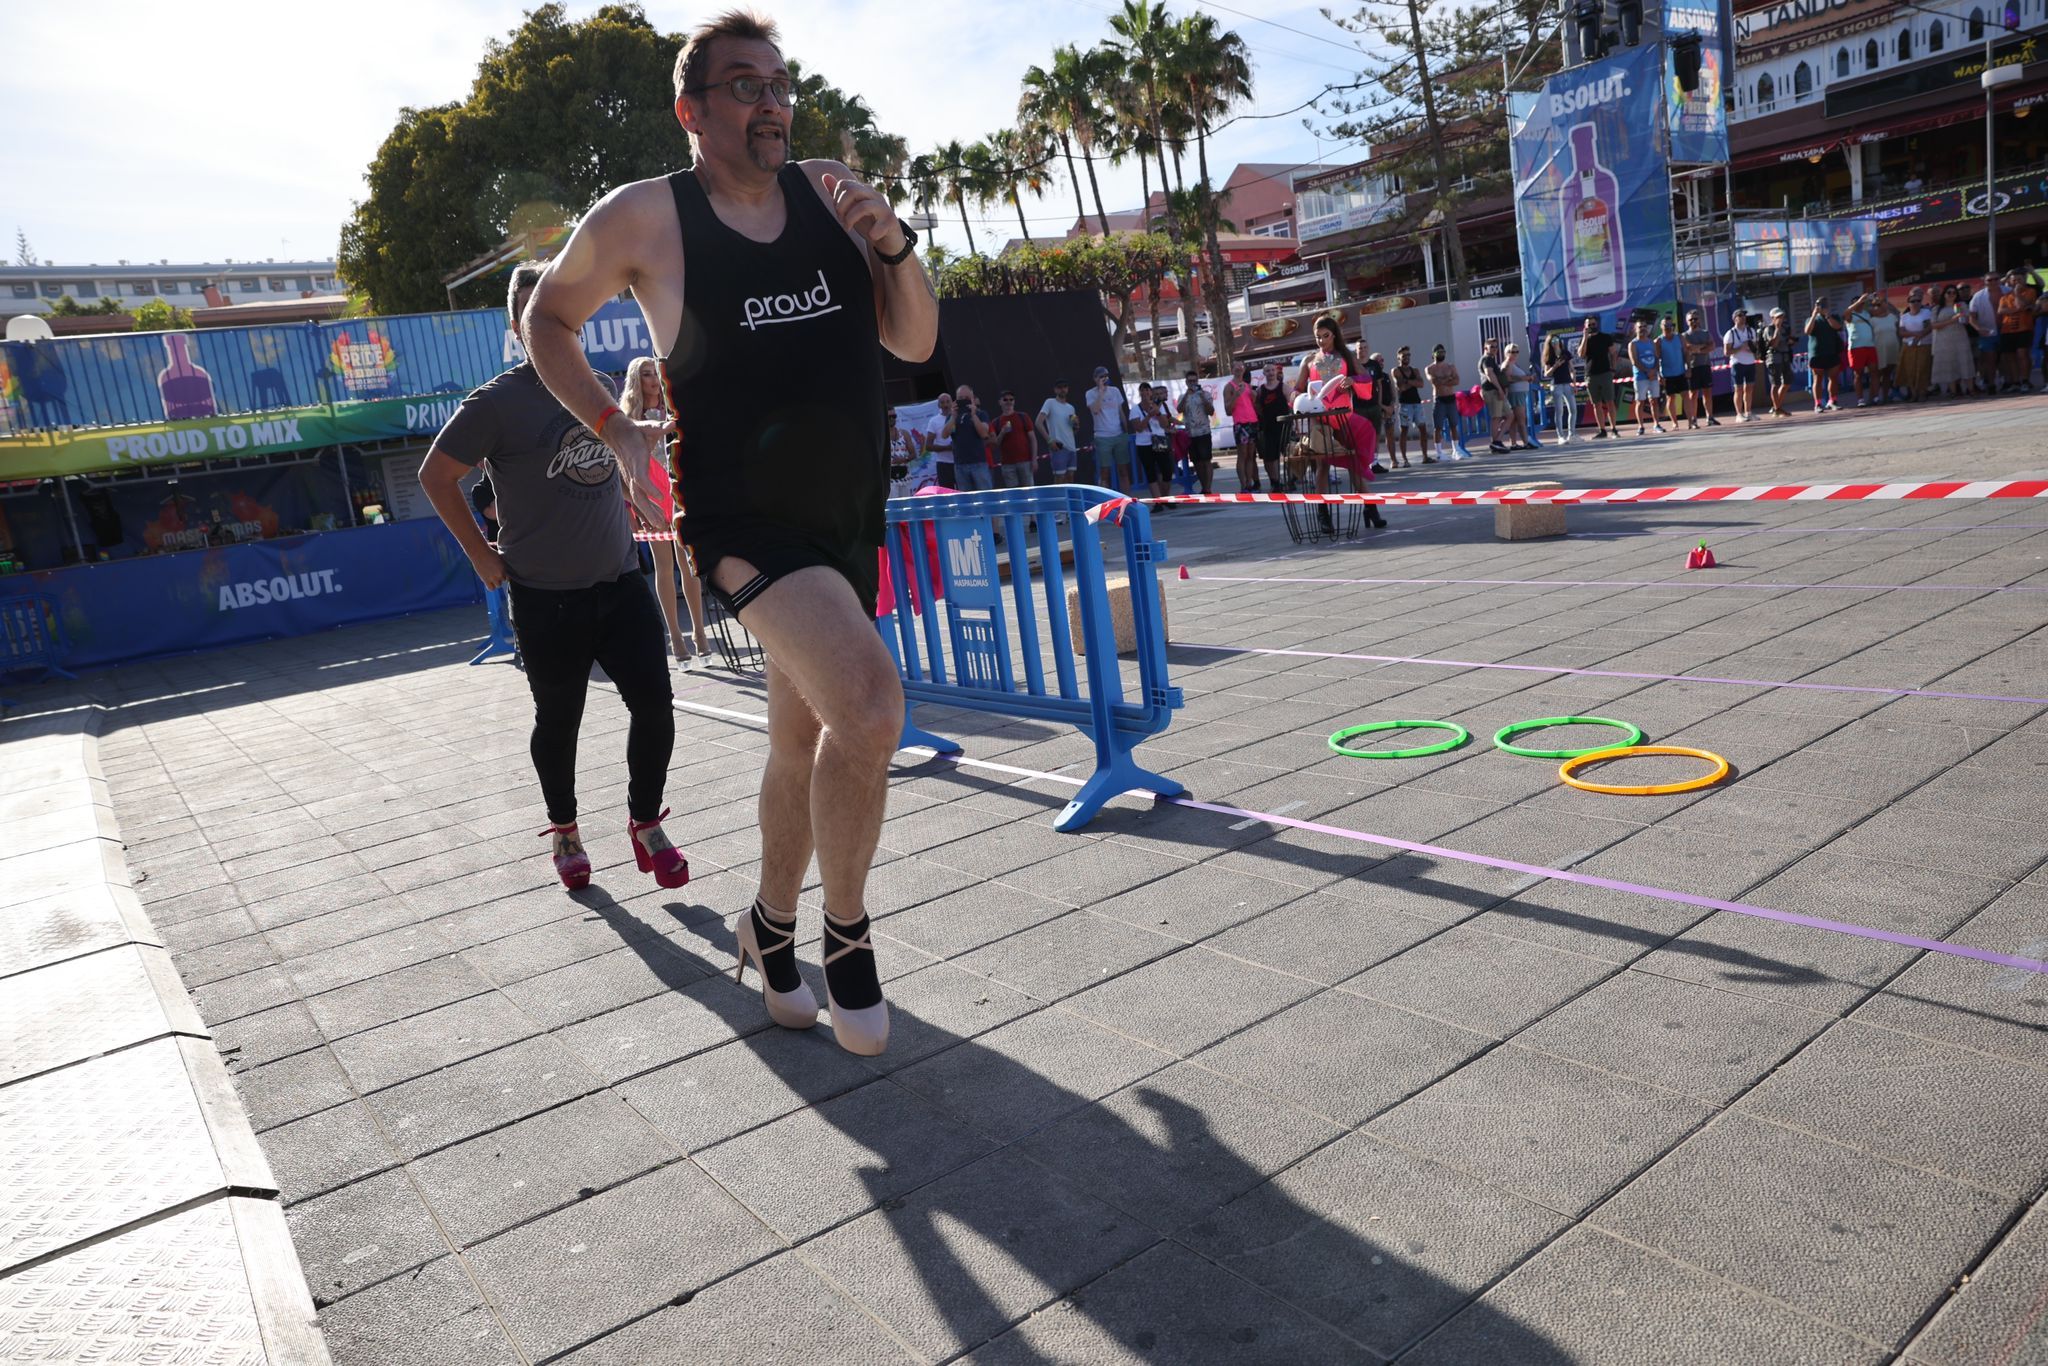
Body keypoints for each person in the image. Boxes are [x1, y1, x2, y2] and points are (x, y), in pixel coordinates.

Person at [521, 10, 940, 1056]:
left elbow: (915, 336)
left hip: (847, 512)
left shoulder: (831, 194)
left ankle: (769, 921)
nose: (772, 104)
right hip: (742, 519)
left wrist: (890, 241)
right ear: (691, 109)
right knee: (872, 708)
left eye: (780, 84)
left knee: (804, 738)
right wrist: (615, 429)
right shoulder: (644, 218)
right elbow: (546, 319)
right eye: (745, 85)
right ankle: (847, 936)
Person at [420, 263, 687, 896]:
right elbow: (436, 475)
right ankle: (565, 831)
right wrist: (481, 554)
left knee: (655, 705)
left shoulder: (595, 386)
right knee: (559, 721)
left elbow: (606, 465)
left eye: (570, 309)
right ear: (520, 326)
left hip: (621, 582)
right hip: (546, 599)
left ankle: (645, 821)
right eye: (543, 312)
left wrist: (638, 496)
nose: (562, 322)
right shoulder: (495, 403)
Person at [622, 355, 712, 667]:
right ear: (637, 380)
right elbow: (626, 464)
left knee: (689, 564)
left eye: (654, 373)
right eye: (645, 374)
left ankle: (700, 633)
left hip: (680, 487)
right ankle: (675, 635)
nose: (652, 380)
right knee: (664, 566)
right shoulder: (629, 417)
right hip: (653, 489)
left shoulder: (674, 407)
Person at [1086, 366, 1131, 492]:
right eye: (1101, 376)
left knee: (1123, 470)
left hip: (1118, 434)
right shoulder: (1090, 393)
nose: (1104, 379)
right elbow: (1095, 410)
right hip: (1102, 436)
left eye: (1106, 376)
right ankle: (1105, 500)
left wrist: (1126, 430)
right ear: (1095, 379)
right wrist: (1100, 392)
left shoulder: (1115, 390)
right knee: (1105, 471)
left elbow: (1120, 411)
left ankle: (1127, 501)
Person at [1174, 370, 1216, 494]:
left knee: (1206, 460)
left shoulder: (1205, 394)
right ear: (1186, 382)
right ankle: (1204, 486)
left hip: (1204, 431)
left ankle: (1208, 487)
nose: (1192, 383)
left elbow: (1211, 411)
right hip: (1190, 433)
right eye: (1190, 381)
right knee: (1197, 462)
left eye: (1194, 381)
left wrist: (1201, 395)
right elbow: (1180, 409)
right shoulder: (1183, 396)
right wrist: (1187, 394)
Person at [1930, 284, 1974, 398]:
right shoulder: (1937, 309)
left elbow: (1965, 321)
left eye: (1954, 293)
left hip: (1960, 337)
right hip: (1944, 340)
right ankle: (1953, 391)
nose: (1951, 295)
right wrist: (1951, 321)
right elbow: (1934, 325)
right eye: (1949, 292)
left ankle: (1970, 389)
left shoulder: (1960, 305)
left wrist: (1962, 317)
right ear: (1944, 294)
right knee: (1949, 365)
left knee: (1964, 362)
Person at [948, 385, 995, 490]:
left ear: (972, 399)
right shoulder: (953, 416)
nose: (964, 401)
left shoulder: (981, 414)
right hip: (960, 465)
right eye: (960, 398)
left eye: (967, 398)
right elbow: (945, 434)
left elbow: (983, 434)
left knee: (985, 496)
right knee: (966, 500)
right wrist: (953, 417)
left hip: (979, 463)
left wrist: (973, 415)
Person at [1578, 316, 1619, 438]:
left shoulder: (1606, 337)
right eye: (1589, 325)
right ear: (1585, 326)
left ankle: (1614, 429)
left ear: (1597, 324)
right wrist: (1585, 337)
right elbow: (1581, 354)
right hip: (1590, 374)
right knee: (1596, 404)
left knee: (1610, 401)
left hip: (1605, 373)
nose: (1592, 326)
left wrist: (1613, 368)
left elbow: (1613, 353)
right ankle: (1602, 430)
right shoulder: (1584, 339)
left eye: (1593, 324)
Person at [1390, 345, 1432, 464]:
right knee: (1404, 431)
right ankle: (1405, 459)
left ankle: (1425, 456)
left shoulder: (1415, 370)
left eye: (1408, 355)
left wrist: (1408, 381)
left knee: (1423, 429)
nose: (1407, 357)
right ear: (1399, 357)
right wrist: (1413, 383)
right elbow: (1401, 387)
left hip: (1417, 403)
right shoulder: (1396, 370)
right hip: (1405, 405)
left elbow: (1422, 384)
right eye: (1404, 355)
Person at [1253, 360, 1291, 488]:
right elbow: (1257, 406)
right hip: (1268, 427)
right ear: (1264, 373)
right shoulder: (1260, 390)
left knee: (1289, 455)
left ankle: (1291, 480)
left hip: (1284, 427)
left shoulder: (1284, 387)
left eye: (1272, 370)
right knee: (1270, 458)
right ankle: (1275, 482)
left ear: (1276, 371)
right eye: (1267, 371)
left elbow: (1293, 403)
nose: (1270, 373)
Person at [1224, 361, 1260, 489]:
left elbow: (1254, 404)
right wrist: (1236, 396)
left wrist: (1254, 396)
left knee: (1251, 455)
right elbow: (1228, 410)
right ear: (1232, 370)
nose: (1239, 369)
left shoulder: (1247, 385)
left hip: (1252, 421)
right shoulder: (1229, 387)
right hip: (1240, 423)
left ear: (1244, 370)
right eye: (1236, 367)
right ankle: (1243, 484)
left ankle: (1249, 483)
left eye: (1241, 367)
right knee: (1242, 454)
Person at [1035, 378, 1078, 484]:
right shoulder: (1050, 402)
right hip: (1059, 447)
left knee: (1070, 478)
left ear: (1067, 389)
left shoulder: (1071, 408)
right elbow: (1038, 422)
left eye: (1064, 387)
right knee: (1060, 479)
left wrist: (1076, 425)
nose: (1062, 389)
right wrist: (1049, 441)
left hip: (1071, 447)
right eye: (1059, 387)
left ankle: (1069, 501)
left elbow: (1074, 431)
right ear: (1055, 390)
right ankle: (1058, 501)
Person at [1997, 271, 2035, 392]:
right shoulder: (2005, 296)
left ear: (2024, 280)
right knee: (2010, 356)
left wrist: (2018, 294)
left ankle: (2025, 380)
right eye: (2014, 280)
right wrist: (2016, 309)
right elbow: (2001, 311)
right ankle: (2015, 381)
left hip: (2024, 328)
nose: (2016, 282)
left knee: (2022, 354)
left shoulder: (2030, 292)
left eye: (2019, 279)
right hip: (2007, 330)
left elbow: (2022, 305)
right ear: (2009, 282)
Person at [991, 390, 1037, 488]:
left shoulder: (1023, 416)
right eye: (1005, 399)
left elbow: (1033, 439)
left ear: (1014, 401)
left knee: (1029, 492)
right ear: (1000, 402)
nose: (1008, 402)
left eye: (1011, 399)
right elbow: (995, 444)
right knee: (1013, 495)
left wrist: (1034, 459)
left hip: (1025, 462)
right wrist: (1002, 432)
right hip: (1008, 465)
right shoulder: (996, 422)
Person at [1681, 309, 1719, 427]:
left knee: (1708, 392)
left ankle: (1710, 417)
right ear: (1687, 322)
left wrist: (1697, 349)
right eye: (1690, 319)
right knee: (1693, 394)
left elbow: (1712, 346)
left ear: (1699, 320)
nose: (1693, 321)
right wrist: (1702, 347)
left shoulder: (1705, 333)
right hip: (1693, 367)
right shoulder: (1684, 335)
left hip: (1705, 366)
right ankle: (1693, 419)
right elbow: (1688, 348)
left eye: (1695, 319)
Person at [1897, 288, 1936, 402]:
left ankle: (1923, 393)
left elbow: (1928, 328)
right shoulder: (1904, 317)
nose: (1915, 303)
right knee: (1910, 370)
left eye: (1918, 301)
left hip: (1924, 344)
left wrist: (1918, 337)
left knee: (1923, 369)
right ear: (1908, 303)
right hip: (1908, 346)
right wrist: (1914, 334)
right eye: (1913, 301)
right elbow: (1901, 332)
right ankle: (1914, 394)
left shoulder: (1927, 313)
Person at [887, 404, 934, 497]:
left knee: (906, 505)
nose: (892, 419)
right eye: (889, 417)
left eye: (894, 416)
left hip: (905, 477)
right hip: (890, 479)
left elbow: (914, 454)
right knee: (893, 506)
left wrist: (903, 460)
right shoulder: (882, 436)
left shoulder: (904, 434)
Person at [1805, 299, 1844, 411]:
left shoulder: (1834, 317)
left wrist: (1827, 316)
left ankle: (1833, 401)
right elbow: (1807, 331)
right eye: (1820, 305)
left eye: (1824, 305)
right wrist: (1813, 315)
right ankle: (1817, 404)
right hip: (1816, 353)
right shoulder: (1811, 319)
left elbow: (1837, 327)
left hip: (1832, 352)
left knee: (1833, 378)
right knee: (1818, 379)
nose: (1822, 307)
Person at [1628, 320, 1664, 435]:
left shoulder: (1651, 343)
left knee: (1654, 401)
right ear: (1635, 329)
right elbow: (1634, 361)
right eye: (1640, 327)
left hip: (1653, 377)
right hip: (1640, 377)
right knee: (1640, 402)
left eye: (1644, 326)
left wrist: (1654, 371)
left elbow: (1656, 358)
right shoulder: (1633, 344)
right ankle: (1641, 426)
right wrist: (1647, 372)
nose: (1643, 328)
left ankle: (1656, 424)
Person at [1426, 343, 1463, 455]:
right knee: (1438, 427)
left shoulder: (1451, 366)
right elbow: (1435, 382)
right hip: (1439, 399)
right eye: (1439, 352)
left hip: (1450, 399)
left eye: (1443, 352)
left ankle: (1456, 449)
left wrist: (1443, 380)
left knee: (1453, 425)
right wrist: (1448, 378)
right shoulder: (1430, 368)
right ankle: (1439, 452)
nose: (1441, 354)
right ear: (1433, 354)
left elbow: (1457, 381)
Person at [1540, 332, 1576, 444]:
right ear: (1550, 344)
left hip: (1567, 384)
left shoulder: (1565, 353)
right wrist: (1555, 366)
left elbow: (1572, 369)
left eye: (1557, 340)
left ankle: (1572, 434)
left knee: (1573, 409)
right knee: (1559, 410)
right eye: (1553, 341)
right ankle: (1560, 436)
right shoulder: (1549, 356)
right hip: (1556, 385)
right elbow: (1546, 374)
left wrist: (1574, 383)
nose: (1555, 343)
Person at [1842, 292, 1877, 407]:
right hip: (1856, 348)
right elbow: (1845, 313)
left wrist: (1876, 299)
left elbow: (1882, 310)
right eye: (1858, 303)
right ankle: (1860, 399)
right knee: (1858, 374)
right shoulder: (1850, 315)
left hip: (1870, 346)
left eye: (1862, 303)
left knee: (1874, 371)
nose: (1860, 305)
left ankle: (1874, 397)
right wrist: (1858, 301)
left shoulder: (1867, 313)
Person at [1970, 273, 2003, 394]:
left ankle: (2011, 382)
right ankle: (1991, 383)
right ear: (1985, 281)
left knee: (2007, 357)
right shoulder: (1978, 297)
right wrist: (1979, 329)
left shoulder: (2008, 291)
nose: (1993, 282)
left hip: (2007, 329)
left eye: (1996, 279)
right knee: (1990, 358)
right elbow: (1972, 317)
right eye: (1990, 280)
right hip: (1987, 330)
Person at [1722, 310, 1757, 423]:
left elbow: (1755, 347)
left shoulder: (1751, 331)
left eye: (1744, 315)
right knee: (1739, 389)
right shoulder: (1730, 333)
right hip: (1737, 363)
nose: (1743, 318)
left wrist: (1751, 348)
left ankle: (1748, 412)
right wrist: (1740, 347)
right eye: (1740, 316)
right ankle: (1739, 414)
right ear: (1735, 318)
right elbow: (1726, 352)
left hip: (1750, 362)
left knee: (1750, 388)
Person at [1478, 337, 1511, 453]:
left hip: (1496, 390)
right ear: (1485, 347)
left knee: (1509, 415)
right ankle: (1495, 442)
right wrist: (1499, 389)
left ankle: (1497, 441)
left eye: (1496, 346)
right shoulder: (1486, 359)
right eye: (1491, 346)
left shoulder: (1491, 359)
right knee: (1496, 417)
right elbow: (1489, 374)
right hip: (1492, 391)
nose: (1494, 349)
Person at [1655, 318, 1688, 429]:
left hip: (1680, 372)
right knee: (1670, 398)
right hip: (1667, 375)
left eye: (1670, 325)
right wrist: (1659, 375)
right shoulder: (1659, 341)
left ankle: (1691, 422)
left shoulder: (1680, 337)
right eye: (1665, 325)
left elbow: (1686, 353)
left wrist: (1688, 368)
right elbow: (1656, 359)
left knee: (1686, 396)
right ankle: (1675, 423)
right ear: (1661, 326)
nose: (1668, 327)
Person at [1764, 307, 1798, 416]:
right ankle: (1777, 408)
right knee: (1775, 384)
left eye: (1782, 316)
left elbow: (1791, 341)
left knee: (1787, 382)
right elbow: (1773, 344)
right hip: (1774, 358)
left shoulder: (1786, 328)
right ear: (1772, 318)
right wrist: (1777, 328)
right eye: (1778, 317)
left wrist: (1791, 341)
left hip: (1785, 357)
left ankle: (1776, 406)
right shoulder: (1769, 329)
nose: (1781, 318)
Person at [1868, 291, 1901, 402]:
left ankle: (1886, 397)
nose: (1877, 307)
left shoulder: (1892, 316)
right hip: (1879, 349)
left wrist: (1882, 300)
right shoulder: (1872, 320)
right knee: (1877, 374)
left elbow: (1898, 329)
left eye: (1879, 305)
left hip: (1892, 348)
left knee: (1887, 374)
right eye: (1874, 306)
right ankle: (1873, 398)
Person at [1501, 343, 1533, 449]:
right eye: (1511, 351)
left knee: (1514, 420)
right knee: (1521, 419)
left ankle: (1514, 443)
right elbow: (1508, 378)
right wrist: (1525, 378)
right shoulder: (1508, 363)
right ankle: (1525, 442)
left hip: (1519, 393)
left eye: (1516, 352)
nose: (1514, 354)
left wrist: (1527, 378)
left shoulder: (1513, 363)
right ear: (1506, 353)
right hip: (1515, 393)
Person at [926, 391, 956, 487]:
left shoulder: (958, 417)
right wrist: (947, 448)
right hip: (944, 464)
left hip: (960, 462)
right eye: (942, 402)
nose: (946, 405)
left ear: (952, 403)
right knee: (947, 493)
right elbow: (928, 446)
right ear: (938, 405)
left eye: (948, 401)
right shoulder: (934, 421)